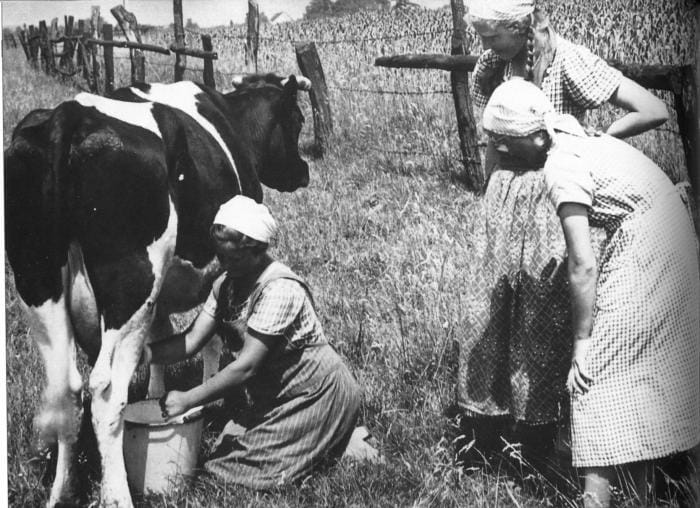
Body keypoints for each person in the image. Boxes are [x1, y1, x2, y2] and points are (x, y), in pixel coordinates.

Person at [456, 0, 669, 467]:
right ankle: (488, 428)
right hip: (502, 201)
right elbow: (490, 123)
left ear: (520, 26)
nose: (484, 47)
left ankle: (546, 439)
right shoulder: (496, 60)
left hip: (555, 201)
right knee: (492, 312)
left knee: (543, 323)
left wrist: (597, 142)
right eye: (482, 37)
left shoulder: (570, 62)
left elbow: (651, 109)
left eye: (492, 36)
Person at [480, 77, 700, 507]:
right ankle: (641, 493)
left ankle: (594, 500)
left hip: (649, 245)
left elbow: (582, 263)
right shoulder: (565, 133)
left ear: (534, 137)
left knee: (592, 375)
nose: (499, 151)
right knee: (635, 373)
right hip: (666, 232)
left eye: (503, 142)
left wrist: (582, 343)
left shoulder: (561, 167)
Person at [143, 195, 361, 489]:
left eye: (232, 259)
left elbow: (246, 367)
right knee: (227, 447)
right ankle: (331, 442)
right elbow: (191, 340)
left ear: (257, 250)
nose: (223, 265)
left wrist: (187, 399)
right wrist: (143, 354)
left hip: (315, 392)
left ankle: (343, 441)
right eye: (220, 257)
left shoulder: (280, 289)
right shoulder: (226, 285)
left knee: (228, 473)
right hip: (275, 397)